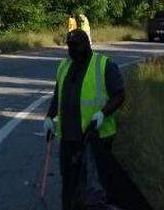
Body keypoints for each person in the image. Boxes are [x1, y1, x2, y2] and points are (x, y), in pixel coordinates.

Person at [44, 30, 125, 209]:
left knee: (94, 186)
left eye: (76, 46)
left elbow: (119, 95)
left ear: (87, 44)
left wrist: (103, 113)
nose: (72, 50)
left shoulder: (104, 65)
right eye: (70, 46)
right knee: (69, 182)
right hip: (68, 138)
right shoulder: (64, 65)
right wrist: (49, 117)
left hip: (96, 138)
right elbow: (58, 96)